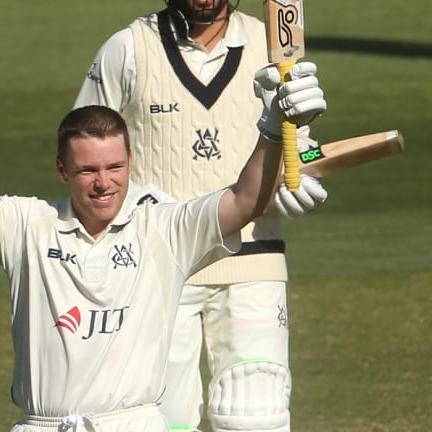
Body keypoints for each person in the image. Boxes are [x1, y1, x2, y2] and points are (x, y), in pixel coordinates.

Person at [0, 0, 325, 430]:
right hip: (62, 401)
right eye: (87, 170)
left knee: (252, 406)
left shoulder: (164, 227)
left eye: (114, 168)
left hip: (190, 309)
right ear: (61, 170)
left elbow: (244, 197)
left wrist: (282, 138)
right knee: (176, 409)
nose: (103, 182)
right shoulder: (30, 226)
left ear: (130, 165)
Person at [73, 1, 328, 431]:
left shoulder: (273, 45)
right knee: (158, 417)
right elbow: (81, 149)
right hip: (158, 266)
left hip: (253, 257)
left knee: (255, 412)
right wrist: (126, 205)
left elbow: (299, 143)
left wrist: (302, 176)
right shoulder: (128, 49)